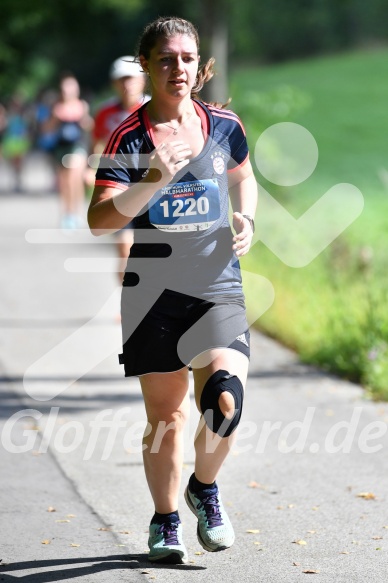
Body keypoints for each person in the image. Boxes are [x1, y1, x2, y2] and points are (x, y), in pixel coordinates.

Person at [88, 16, 257, 564]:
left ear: (199, 63)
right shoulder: (129, 136)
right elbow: (99, 220)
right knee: (167, 419)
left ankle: (204, 489)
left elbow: (243, 174)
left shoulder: (224, 125)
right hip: (152, 293)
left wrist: (247, 218)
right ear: (147, 66)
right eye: (165, 59)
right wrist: (152, 180)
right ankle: (165, 522)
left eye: (186, 58)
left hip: (216, 287)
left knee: (224, 401)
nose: (177, 68)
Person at [91, 56, 148, 283]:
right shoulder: (105, 113)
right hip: (120, 188)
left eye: (131, 79)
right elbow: (96, 144)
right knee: (125, 248)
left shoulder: (154, 109)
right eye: (121, 80)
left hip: (152, 187)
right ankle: (128, 302)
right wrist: (92, 169)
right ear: (114, 83)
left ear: (143, 80)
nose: (127, 85)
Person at [45, 73, 93, 229]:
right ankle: (68, 214)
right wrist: (55, 117)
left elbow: (90, 127)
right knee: (65, 183)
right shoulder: (57, 107)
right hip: (61, 148)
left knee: (75, 179)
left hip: (77, 147)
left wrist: (83, 119)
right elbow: (47, 129)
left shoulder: (82, 106)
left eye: (71, 86)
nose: (68, 90)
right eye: (65, 87)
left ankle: (76, 212)